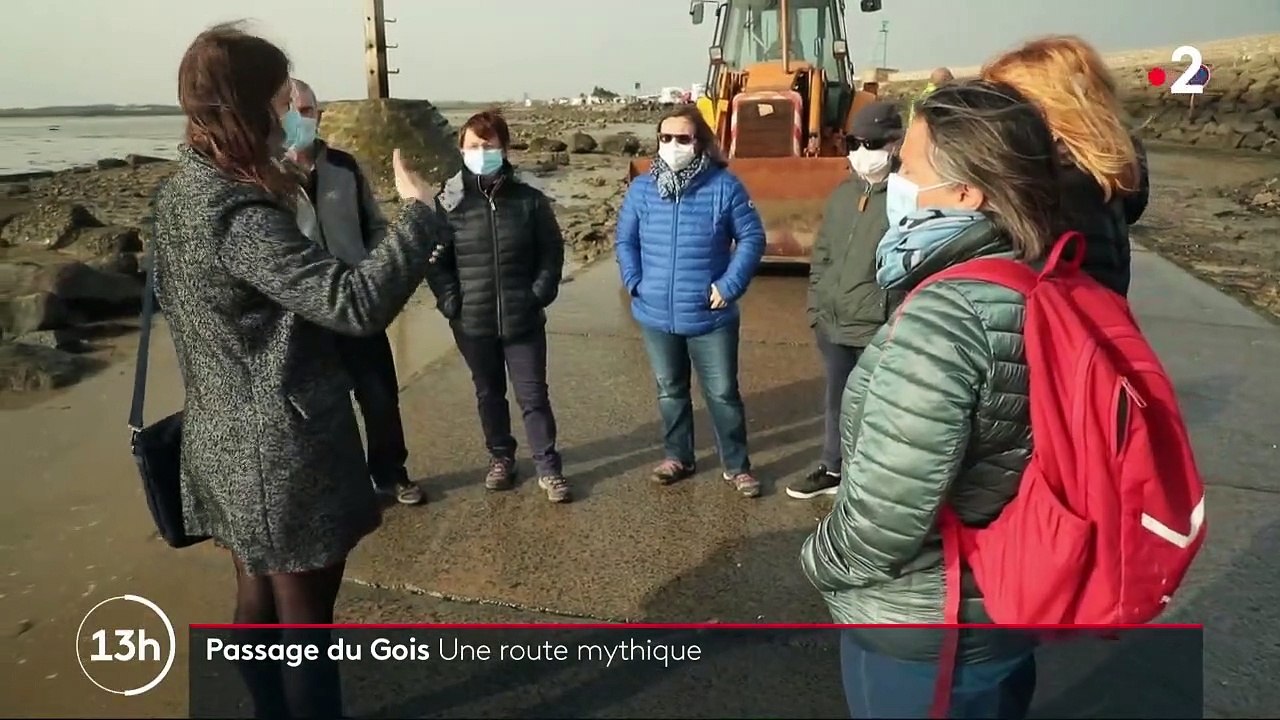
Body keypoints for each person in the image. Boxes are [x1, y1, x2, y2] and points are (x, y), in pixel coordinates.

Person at [157, 23, 447, 718]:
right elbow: (353, 304)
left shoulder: (177, 193)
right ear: (251, 106)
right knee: (305, 625)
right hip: (279, 453)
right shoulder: (237, 213)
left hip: (221, 439)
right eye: (282, 97)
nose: (293, 111)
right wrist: (420, 216)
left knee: (256, 600)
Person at [800, 79, 1062, 719]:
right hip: (1002, 596)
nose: (895, 177)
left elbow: (886, 515)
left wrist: (821, 561)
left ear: (967, 194)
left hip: (928, 621)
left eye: (908, 168)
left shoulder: (946, 318)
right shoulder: (1030, 276)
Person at [615, 105, 767, 498]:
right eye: (665, 138)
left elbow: (752, 238)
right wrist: (635, 283)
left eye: (682, 138)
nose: (672, 145)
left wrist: (729, 285)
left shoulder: (725, 186)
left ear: (699, 143)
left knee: (722, 394)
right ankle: (677, 456)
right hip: (655, 315)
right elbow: (625, 241)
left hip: (709, 316)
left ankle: (737, 466)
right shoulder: (642, 189)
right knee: (670, 390)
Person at [285, 77, 423, 506]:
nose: (299, 118)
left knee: (379, 397)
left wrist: (373, 273)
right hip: (302, 314)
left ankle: (390, 474)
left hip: (356, 302)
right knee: (318, 411)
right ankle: (335, 487)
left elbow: (377, 226)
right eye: (289, 110)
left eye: (307, 109)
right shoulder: (266, 177)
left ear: (319, 114)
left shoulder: (344, 166)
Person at [423, 111, 570, 503]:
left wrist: (538, 293)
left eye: (488, 145)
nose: (481, 152)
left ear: (504, 149)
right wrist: (452, 303)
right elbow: (436, 262)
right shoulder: (449, 203)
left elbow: (551, 251)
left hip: (524, 319)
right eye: (473, 145)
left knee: (533, 396)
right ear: (461, 149)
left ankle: (548, 466)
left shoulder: (529, 200)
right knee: (489, 394)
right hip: (472, 321)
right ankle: (501, 457)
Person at [787, 101, 904, 500]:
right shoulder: (842, 195)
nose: (860, 152)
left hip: (879, 328)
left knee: (881, 408)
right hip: (834, 324)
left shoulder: (908, 199)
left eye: (870, 143)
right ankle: (832, 466)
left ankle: (872, 483)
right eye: (853, 142)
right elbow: (822, 255)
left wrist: (894, 321)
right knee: (836, 402)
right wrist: (816, 310)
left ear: (894, 143)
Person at [982, 35, 1149, 296]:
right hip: (1096, 319)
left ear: (1046, 106)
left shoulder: (1055, 182)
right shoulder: (1102, 167)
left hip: (1059, 323)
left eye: (1005, 103)